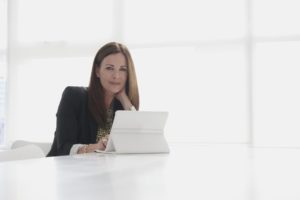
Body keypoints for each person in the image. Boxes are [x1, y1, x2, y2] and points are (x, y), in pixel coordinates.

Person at [47, 42, 139, 156]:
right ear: (97, 71)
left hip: (104, 171)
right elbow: (63, 148)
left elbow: (137, 141)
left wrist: (125, 100)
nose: (116, 76)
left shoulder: (123, 105)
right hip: (65, 169)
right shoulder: (73, 96)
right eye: (110, 68)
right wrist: (96, 147)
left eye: (123, 69)